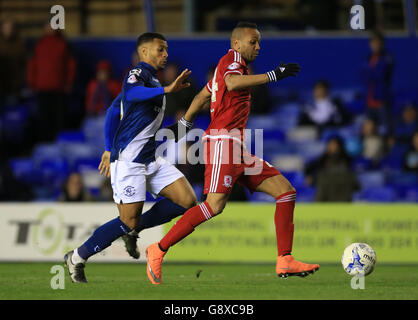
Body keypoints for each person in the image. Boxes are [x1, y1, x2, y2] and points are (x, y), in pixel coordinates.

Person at [145, 22, 320, 285]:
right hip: (222, 143)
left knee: (286, 192)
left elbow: (203, 95)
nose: (258, 47)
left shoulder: (224, 68)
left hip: (237, 146)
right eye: (253, 42)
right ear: (237, 44)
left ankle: (285, 258)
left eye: (259, 42)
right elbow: (233, 82)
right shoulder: (232, 62)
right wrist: (274, 75)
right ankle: (158, 249)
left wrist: (184, 124)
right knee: (214, 205)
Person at [64, 32, 199, 283]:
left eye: (166, 50)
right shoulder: (136, 75)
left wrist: (192, 112)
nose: (166, 54)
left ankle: (134, 229)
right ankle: (77, 257)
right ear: (144, 52)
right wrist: (169, 89)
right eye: (161, 49)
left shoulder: (155, 84)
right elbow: (133, 95)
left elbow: (114, 109)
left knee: (187, 201)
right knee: (126, 221)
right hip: (129, 162)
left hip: (151, 158)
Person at [27, 22, 76, 142]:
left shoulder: (64, 44)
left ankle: (58, 144)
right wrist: (32, 82)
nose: (51, 28)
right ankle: (44, 144)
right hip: (42, 89)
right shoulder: (39, 44)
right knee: (43, 119)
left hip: (59, 89)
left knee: (58, 119)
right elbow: (33, 64)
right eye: (48, 26)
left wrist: (69, 83)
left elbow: (71, 65)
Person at [304, 136, 359, 202]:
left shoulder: (347, 158)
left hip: (342, 183)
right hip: (326, 183)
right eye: (330, 144)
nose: (332, 147)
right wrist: (309, 176)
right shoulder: (322, 159)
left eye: (334, 145)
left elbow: (352, 173)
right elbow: (310, 168)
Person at [361, 30, 394, 135]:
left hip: (381, 100)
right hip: (369, 100)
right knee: (369, 129)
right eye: (373, 43)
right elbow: (363, 76)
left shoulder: (387, 58)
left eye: (378, 43)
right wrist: (371, 72)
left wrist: (370, 72)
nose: (376, 45)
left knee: (386, 129)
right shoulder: (368, 58)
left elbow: (380, 75)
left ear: (382, 44)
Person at [0, 19, 26, 106]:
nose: (8, 30)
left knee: (12, 111)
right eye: (6, 28)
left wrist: (20, 80)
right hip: (1, 84)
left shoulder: (20, 44)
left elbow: (24, 63)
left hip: (14, 85)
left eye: (10, 28)